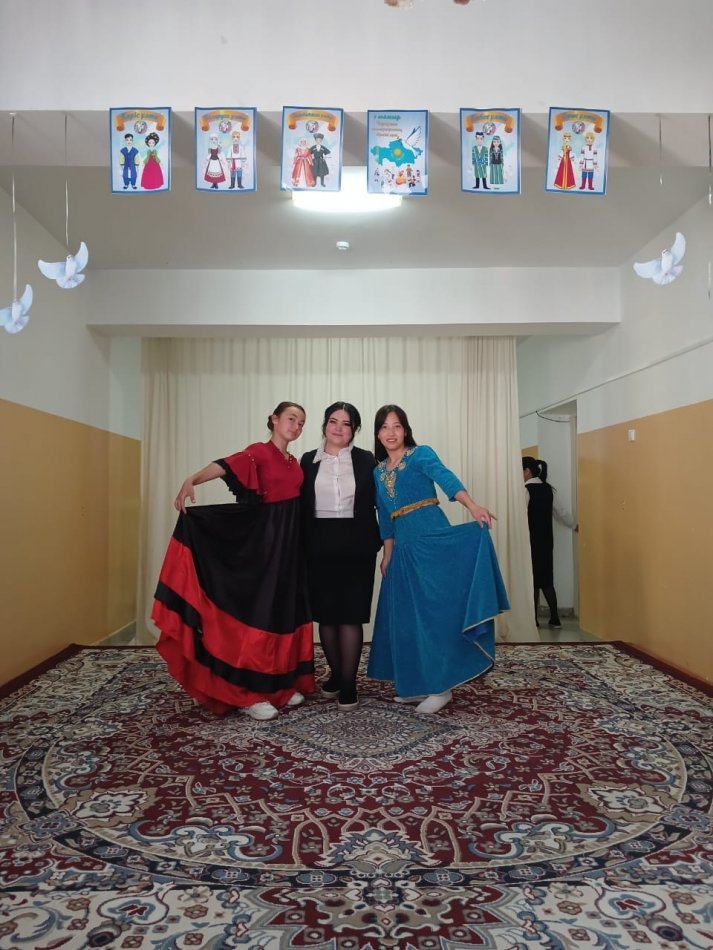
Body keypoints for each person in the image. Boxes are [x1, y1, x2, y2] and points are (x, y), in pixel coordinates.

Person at [152, 402, 315, 720]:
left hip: (288, 549)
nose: (296, 426)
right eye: (291, 418)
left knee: (281, 613)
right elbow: (225, 465)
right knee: (257, 615)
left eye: (301, 422)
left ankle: (278, 686)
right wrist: (193, 479)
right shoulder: (259, 452)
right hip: (262, 546)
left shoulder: (294, 462)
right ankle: (247, 694)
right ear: (274, 420)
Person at [367, 406, 509, 714]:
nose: (391, 432)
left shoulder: (420, 455)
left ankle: (441, 688)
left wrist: (473, 506)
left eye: (397, 426)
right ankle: (417, 684)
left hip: (431, 541)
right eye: (385, 427)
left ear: (406, 430)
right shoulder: (378, 473)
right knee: (407, 618)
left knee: (433, 616)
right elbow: (385, 517)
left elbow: (446, 478)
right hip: (404, 550)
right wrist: (387, 554)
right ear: (377, 433)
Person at [300, 402, 381, 711]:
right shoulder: (307, 460)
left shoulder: (366, 460)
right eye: (333, 421)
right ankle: (336, 674)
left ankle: (348, 684)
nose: (338, 428)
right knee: (327, 615)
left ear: (354, 430)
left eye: (346, 424)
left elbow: (382, 500)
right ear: (324, 425)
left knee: (350, 614)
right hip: (317, 543)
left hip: (357, 543)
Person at [522, 456, 577, 629]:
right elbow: (561, 512)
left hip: (530, 540)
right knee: (546, 579)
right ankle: (555, 618)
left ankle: (534, 620)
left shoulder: (525, 490)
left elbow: (520, 516)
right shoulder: (548, 489)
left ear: (527, 471)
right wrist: (574, 525)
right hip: (546, 541)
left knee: (532, 580)